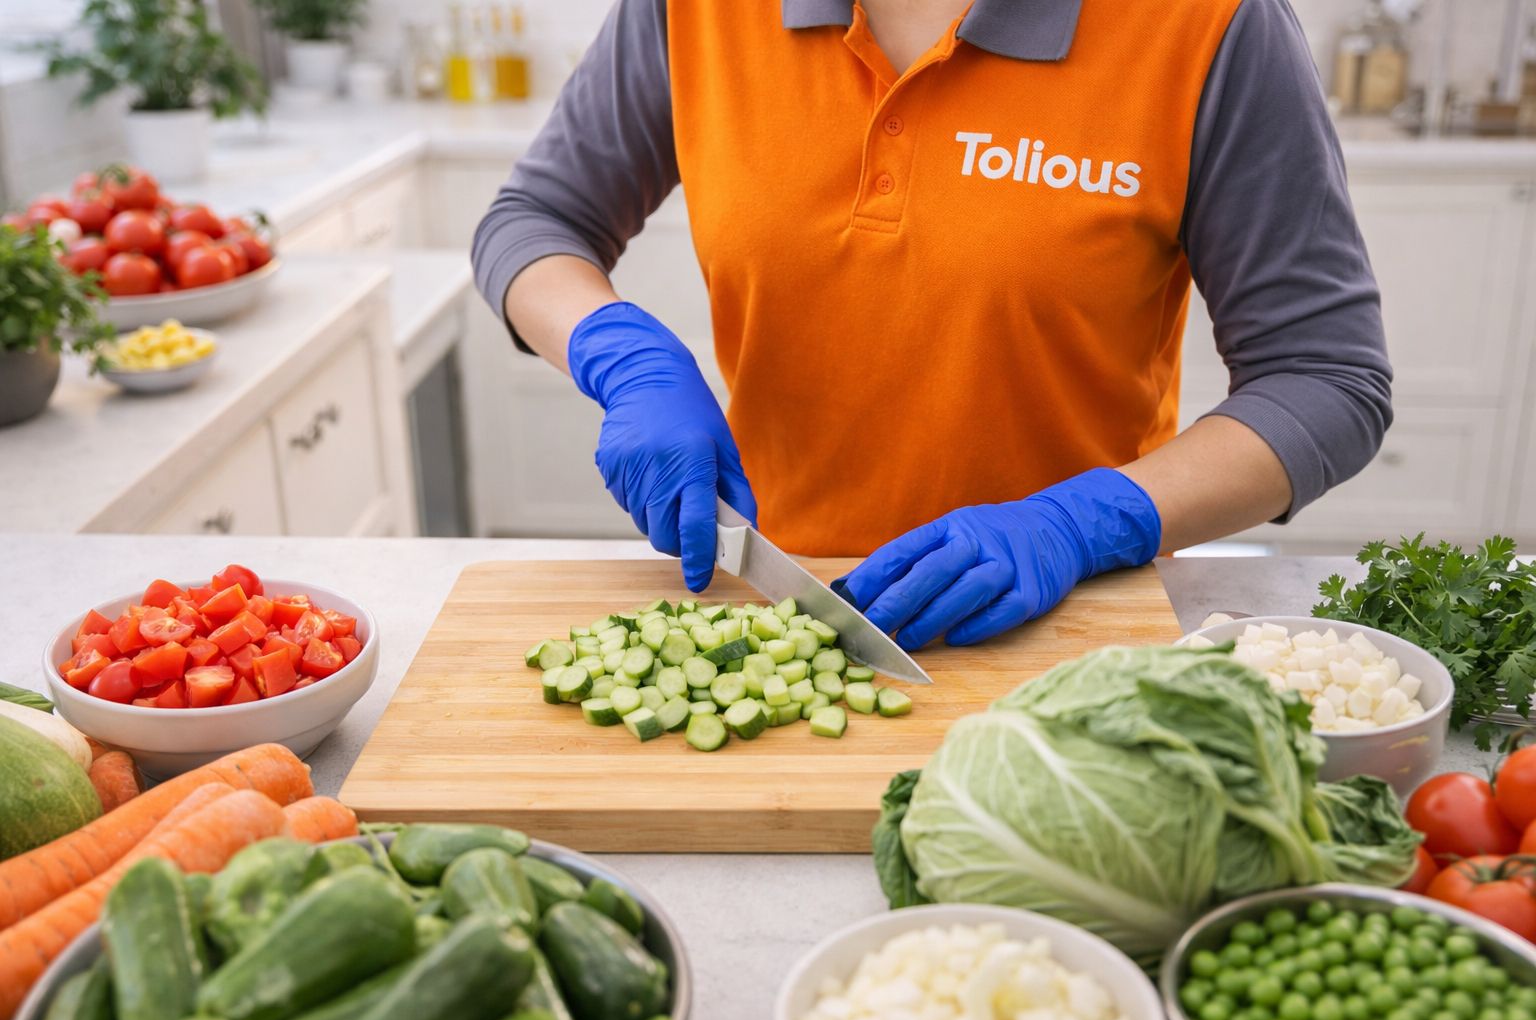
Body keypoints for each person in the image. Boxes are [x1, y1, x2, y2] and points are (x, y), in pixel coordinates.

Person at [471, 0, 1391, 651]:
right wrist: (620, 356)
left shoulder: (1212, 23)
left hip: (1074, 620)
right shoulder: (692, 10)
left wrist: (1083, 525)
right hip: (777, 602)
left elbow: (1324, 379)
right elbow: (538, 220)